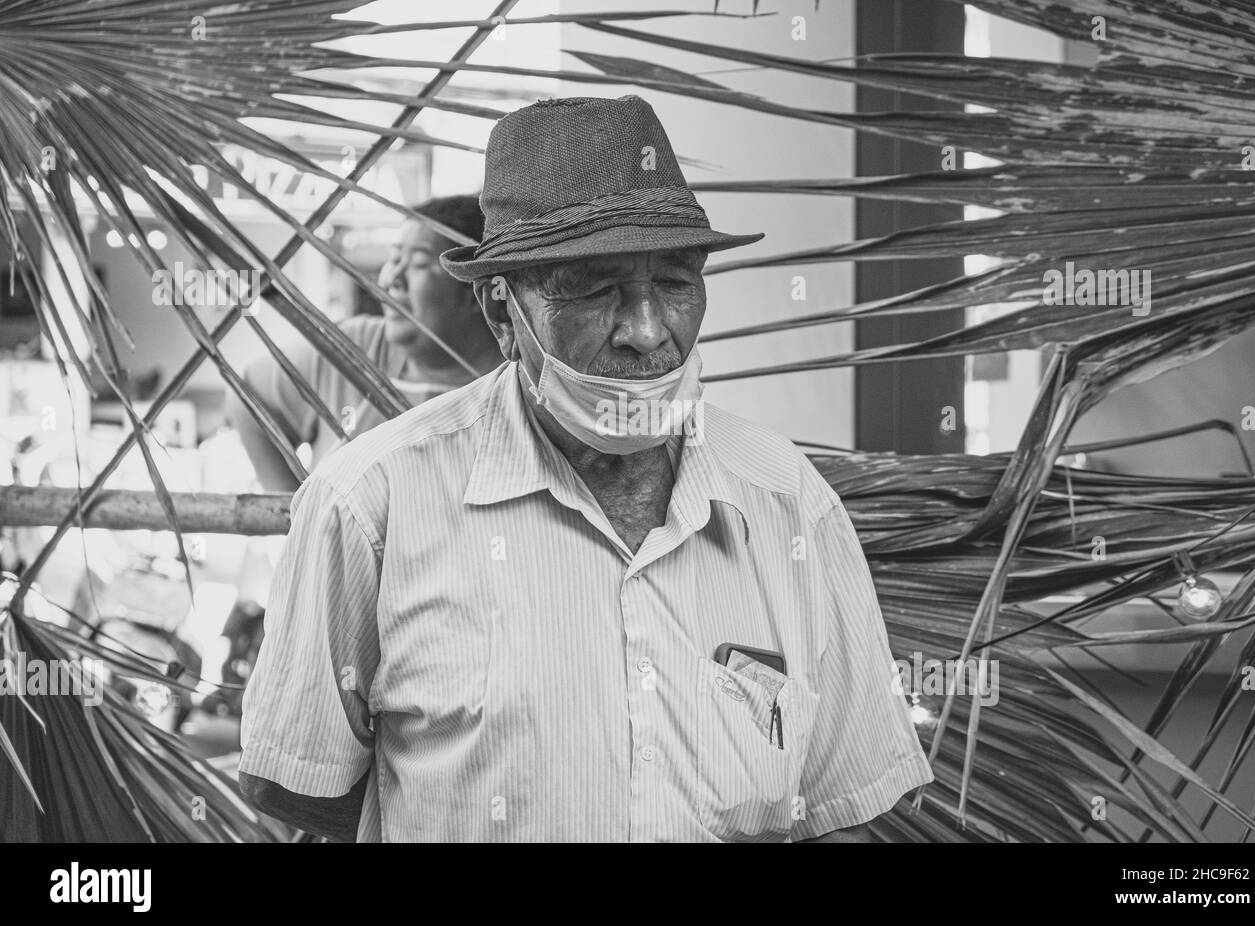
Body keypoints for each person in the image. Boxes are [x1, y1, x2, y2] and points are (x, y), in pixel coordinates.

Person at [238, 95, 933, 842]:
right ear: (504, 314)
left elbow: (847, 807)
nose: (645, 330)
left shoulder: (789, 503)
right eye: (595, 286)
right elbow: (307, 793)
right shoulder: (370, 504)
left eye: (674, 280)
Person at [228, 194, 503, 492]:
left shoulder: (515, 388)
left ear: (477, 289)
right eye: (395, 258)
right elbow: (248, 397)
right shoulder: (356, 351)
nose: (392, 278)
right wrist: (292, 513)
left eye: (420, 263)